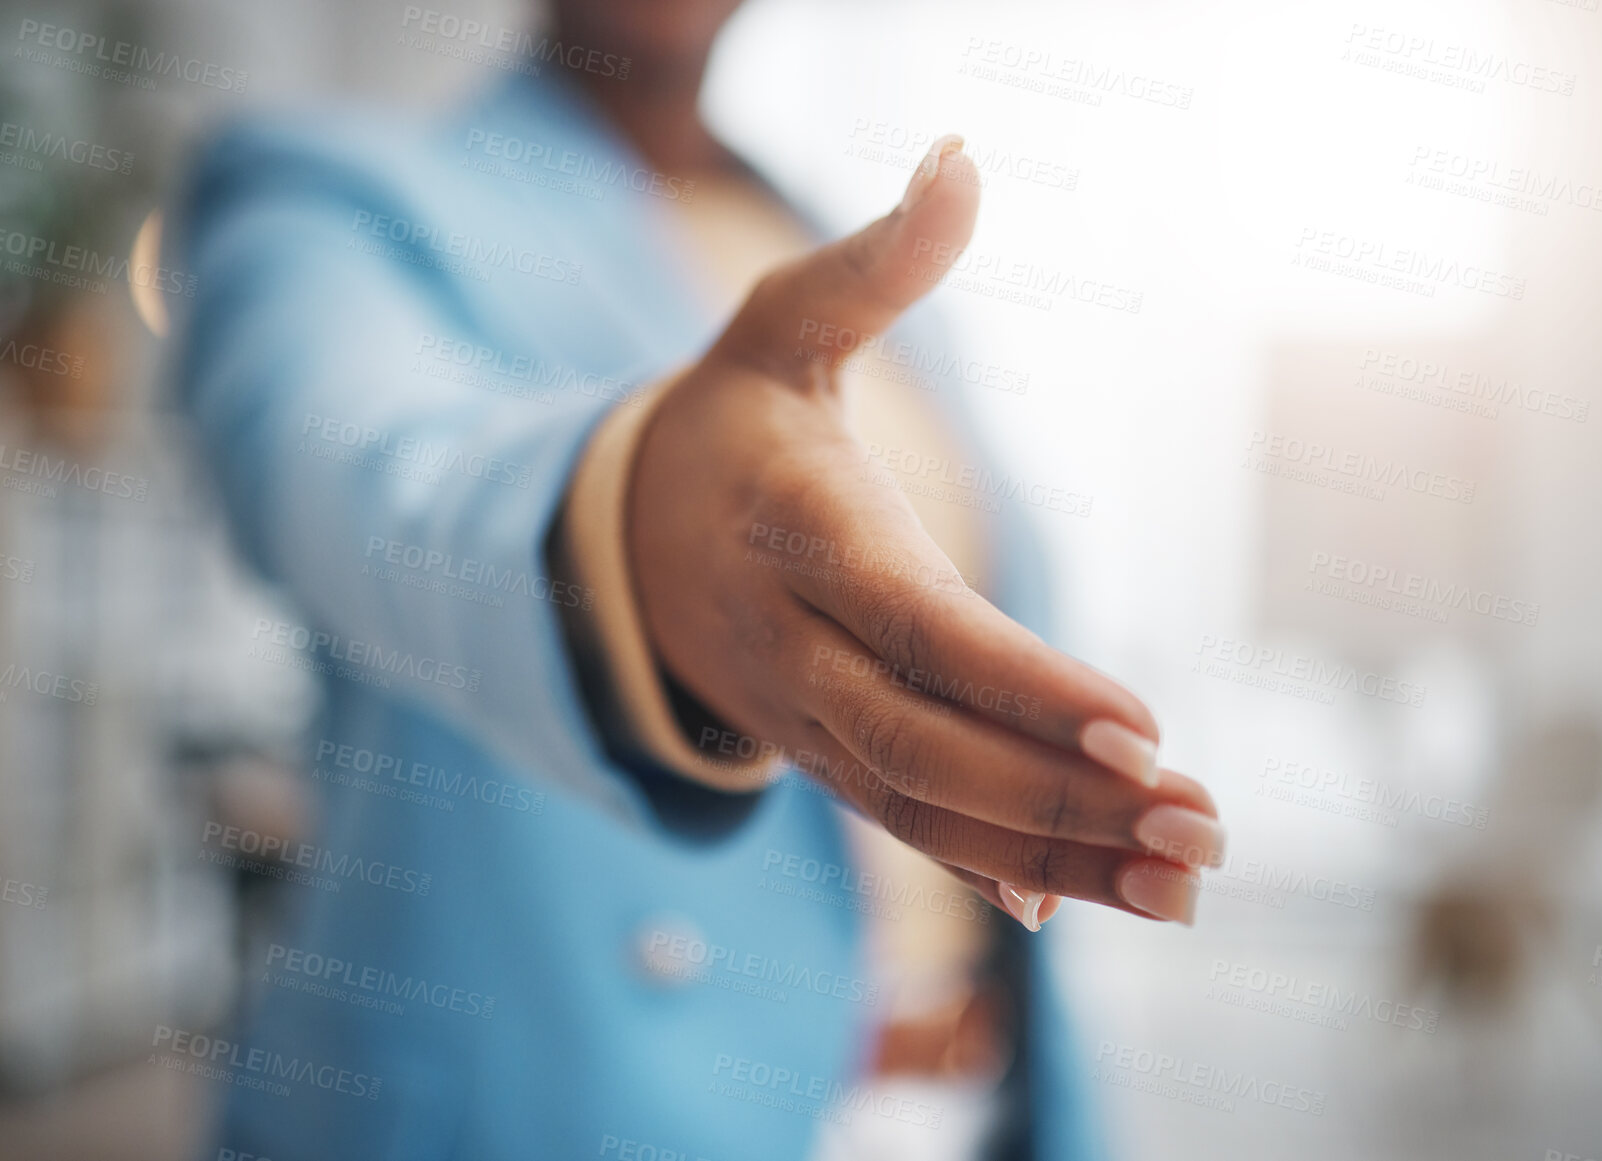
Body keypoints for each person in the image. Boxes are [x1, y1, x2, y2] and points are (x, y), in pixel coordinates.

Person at [170, 1, 1225, 1156]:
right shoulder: (327, 191)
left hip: (958, 1107)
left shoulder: (864, 252)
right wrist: (626, 524)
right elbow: (370, 475)